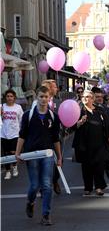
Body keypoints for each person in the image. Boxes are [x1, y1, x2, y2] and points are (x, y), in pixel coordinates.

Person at [14, 86, 62, 226]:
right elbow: (22, 136)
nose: (43, 99)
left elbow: (56, 139)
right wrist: (17, 153)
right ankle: (30, 202)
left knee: (47, 185)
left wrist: (59, 157)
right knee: (35, 185)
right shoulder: (28, 115)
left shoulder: (53, 117)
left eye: (46, 97)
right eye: (41, 96)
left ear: (49, 98)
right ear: (37, 98)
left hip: (47, 155)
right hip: (31, 155)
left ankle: (46, 215)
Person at [72, 90, 109, 196]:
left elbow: (107, 125)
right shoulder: (79, 111)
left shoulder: (100, 111)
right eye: (83, 97)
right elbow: (71, 127)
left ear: (92, 99)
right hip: (84, 144)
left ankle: (99, 187)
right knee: (86, 166)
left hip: (99, 143)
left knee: (99, 165)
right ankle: (88, 187)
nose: (85, 98)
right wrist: (79, 123)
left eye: (88, 96)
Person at [41, 79, 62, 195]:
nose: (56, 89)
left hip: (57, 136)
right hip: (44, 138)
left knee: (59, 160)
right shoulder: (40, 102)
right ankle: (43, 184)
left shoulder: (59, 101)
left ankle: (55, 181)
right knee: (44, 161)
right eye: (54, 87)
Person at [1, 89, 23, 180]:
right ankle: (7, 171)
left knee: (13, 152)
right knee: (6, 154)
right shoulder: (2, 107)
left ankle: (14, 167)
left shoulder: (18, 107)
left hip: (15, 134)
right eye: (8, 96)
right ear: (5, 98)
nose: (9, 98)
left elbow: (21, 120)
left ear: (14, 98)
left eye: (11, 96)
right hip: (4, 133)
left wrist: (22, 131)